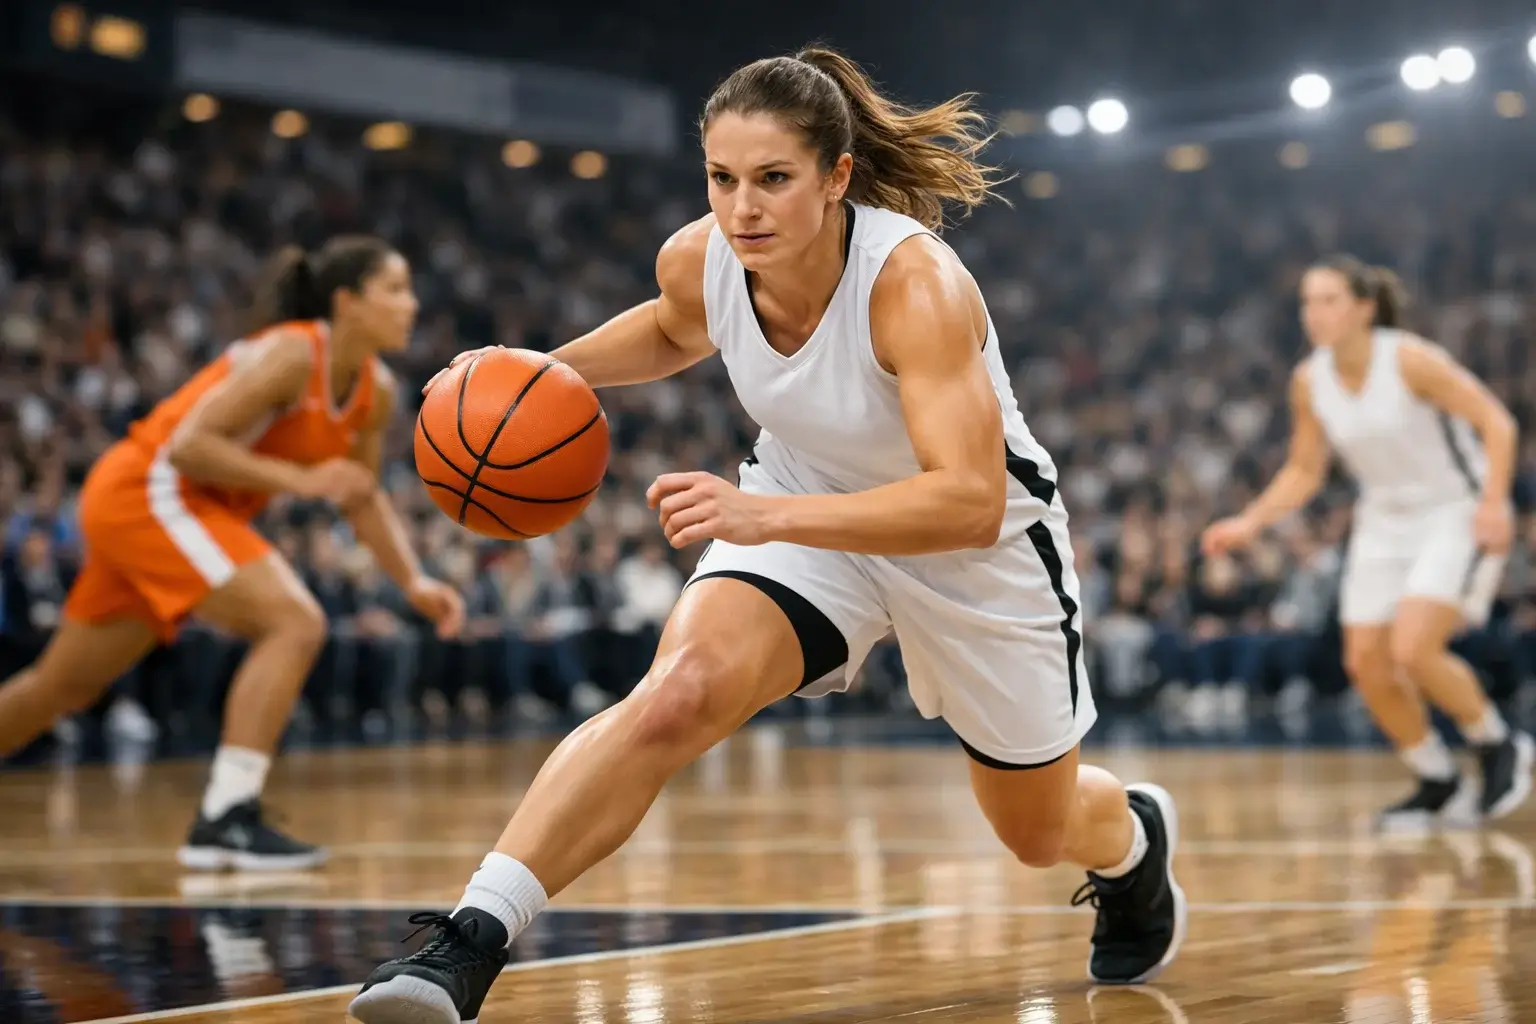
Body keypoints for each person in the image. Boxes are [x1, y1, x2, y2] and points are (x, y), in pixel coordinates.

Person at [349, 47, 1185, 1024]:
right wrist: (533, 374)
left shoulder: (915, 286)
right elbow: (672, 328)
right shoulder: (700, 258)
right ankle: (467, 939)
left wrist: (763, 515)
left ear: (836, 178)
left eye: (773, 179)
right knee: (677, 693)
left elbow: (968, 501)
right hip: (804, 504)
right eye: (723, 178)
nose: (742, 207)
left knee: (1037, 832)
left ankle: (1128, 840)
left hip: (975, 550)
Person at [0, 236, 466, 869]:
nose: (412, 305)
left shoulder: (374, 390)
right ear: (347, 301)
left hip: (174, 510)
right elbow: (190, 446)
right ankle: (226, 814)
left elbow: (358, 495)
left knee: (58, 688)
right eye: (396, 288)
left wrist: (413, 581)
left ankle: (227, 815)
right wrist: (300, 482)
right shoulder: (292, 353)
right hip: (151, 491)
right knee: (295, 621)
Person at [1203, 255, 1531, 830]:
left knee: (1413, 648)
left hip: (1454, 508)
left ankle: (1498, 742)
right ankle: (1436, 777)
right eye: (1308, 301)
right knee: (1365, 661)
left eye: (1329, 300)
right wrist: (1250, 521)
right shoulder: (1310, 379)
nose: (1315, 313)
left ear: (1363, 307)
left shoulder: (1409, 359)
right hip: (1384, 517)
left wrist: (1493, 501)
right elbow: (1305, 470)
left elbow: (1497, 422)